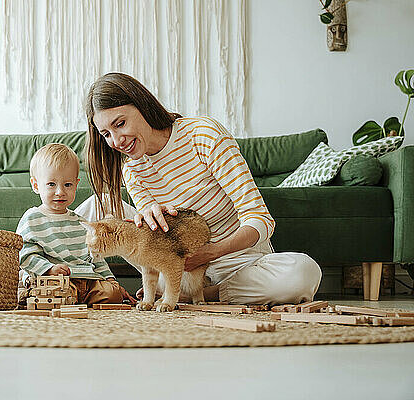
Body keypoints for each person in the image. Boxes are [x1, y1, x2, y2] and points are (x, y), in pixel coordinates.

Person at [83, 72, 322, 305]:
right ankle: (79, 282)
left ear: (142, 105)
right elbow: (151, 239)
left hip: (236, 261)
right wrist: (147, 218)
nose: (117, 141)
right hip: (176, 263)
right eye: (106, 134)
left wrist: (210, 253)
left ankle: (205, 294)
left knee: (302, 273)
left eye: (120, 123)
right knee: (95, 206)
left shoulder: (203, 136)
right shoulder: (132, 169)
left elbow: (261, 219)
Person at [16, 143, 135, 306]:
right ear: (36, 185)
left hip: (88, 280)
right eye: (51, 184)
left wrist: (110, 280)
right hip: (55, 279)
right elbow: (25, 254)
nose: (60, 192)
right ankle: (57, 296)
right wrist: (49, 269)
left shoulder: (81, 222)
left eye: (68, 185)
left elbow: (96, 256)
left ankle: (78, 298)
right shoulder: (32, 218)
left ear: (76, 184)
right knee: (54, 291)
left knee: (113, 294)